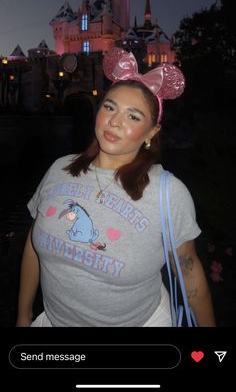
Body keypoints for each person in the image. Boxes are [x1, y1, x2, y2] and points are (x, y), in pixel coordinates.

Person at [16, 49, 216, 327]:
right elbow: (32, 246)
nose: (115, 121)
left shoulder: (167, 193)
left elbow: (189, 272)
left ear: (151, 133)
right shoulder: (59, 169)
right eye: (110, 107)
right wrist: (24, 316)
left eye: (133, 117)